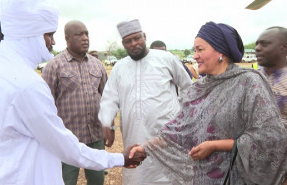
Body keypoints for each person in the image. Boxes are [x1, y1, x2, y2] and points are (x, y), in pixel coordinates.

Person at [0, 1, 145, 184]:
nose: (52, 41)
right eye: (49, 34)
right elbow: (65, 147)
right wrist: (119, 159)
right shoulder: (27, 85)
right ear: (31, 34)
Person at [129, 21, 287, 185]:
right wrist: (145, 148)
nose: (195, 55)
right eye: (195, 50)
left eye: (200, 49)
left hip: (239, 178)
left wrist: (216, 145)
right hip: (203, 178)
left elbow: (271, 137)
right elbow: (178, 131)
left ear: (222, 52)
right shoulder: (197, 89)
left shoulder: (249, 83)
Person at [98, 19, 192, 185]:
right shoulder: (119, 67)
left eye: (137, 38)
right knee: (139, 177)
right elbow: (109, 99)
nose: (134, 43)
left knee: (173, 178)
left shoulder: (166, 59)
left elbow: (187, 87)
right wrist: (107, 124)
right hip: (135, 135)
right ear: (123, 44)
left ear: (145, 36)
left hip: (168, 136)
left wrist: (183, 116)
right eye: (128, 41)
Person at [42, 20, 110, 185]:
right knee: (66, 181)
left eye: (87, 34)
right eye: (79, 34)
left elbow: (108, 98)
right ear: (67, 38)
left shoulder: (97, 65)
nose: (85, 38)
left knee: (97, 180)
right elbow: (44, 105)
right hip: (66, 140)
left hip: (95, 137)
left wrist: (110, 126)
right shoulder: (54, 66)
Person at [255, 26, 287, 128]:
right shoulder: (251, 78)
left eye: (264, 44)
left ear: (283, 48)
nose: (257, 48)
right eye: (257, 44)